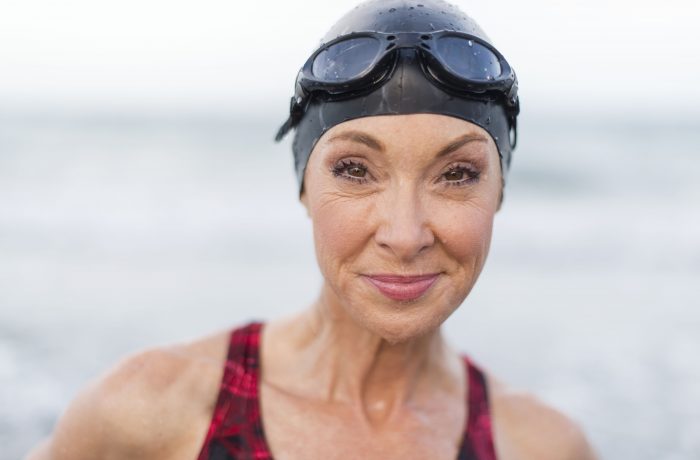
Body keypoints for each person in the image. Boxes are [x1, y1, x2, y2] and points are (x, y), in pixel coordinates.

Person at [26, 1, 597, 459]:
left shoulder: (544, 446)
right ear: (305, 186)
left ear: (498, 192)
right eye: (355, 170)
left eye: (457, 175)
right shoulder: (149, 411)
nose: (405, 234)